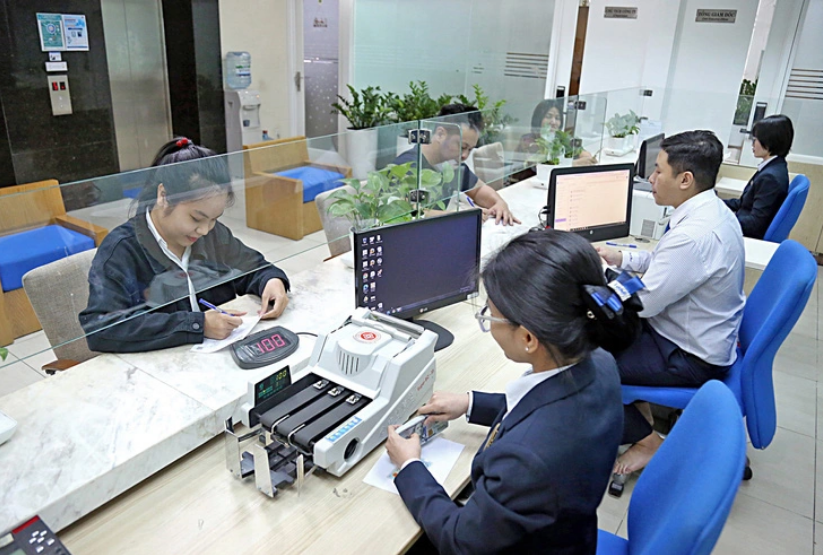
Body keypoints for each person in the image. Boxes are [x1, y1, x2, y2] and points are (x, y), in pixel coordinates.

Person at [385, 229, 643, 554]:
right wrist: (469, 403)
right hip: (569, 533)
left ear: (528, 338)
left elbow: (461, 541)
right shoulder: (600, 363)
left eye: (491, 315)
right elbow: (538, 409)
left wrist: (409, 467)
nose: (489, 323)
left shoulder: (526, 462)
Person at [596, 130, 745, 477]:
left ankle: (648, 440)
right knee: (604, 333)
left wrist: (602, 277)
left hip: (688, 356)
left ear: (685, 179)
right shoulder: (709, 211)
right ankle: (639, 410)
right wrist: (619, 257)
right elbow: (668, 264)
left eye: (659, 170)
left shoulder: (695, 236)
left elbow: (643, 303)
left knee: (586, 362)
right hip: (694, 335)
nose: (651, 178)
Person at [79, 138, 290, 353]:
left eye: (214, 218)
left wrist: (271, 281)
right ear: (164, 196)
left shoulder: (212, 235)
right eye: (196, 218)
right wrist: (197, 325)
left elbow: (252, 267)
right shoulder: (121, 251)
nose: (205, 230)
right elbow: (102, 329)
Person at [393, 104, 520, 226]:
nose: (465, 155)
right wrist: (456, 217)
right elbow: (408, 212)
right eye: (462, 147)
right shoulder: (407, 165)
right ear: (440, 134)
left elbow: (478, 190)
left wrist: (499, 203)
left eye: (470, 149)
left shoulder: (451, 164)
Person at [725, 114, 794, 239]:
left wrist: (721, 221)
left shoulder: (770, 178)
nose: (753, 143)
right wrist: (716, 203)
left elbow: (755, 224)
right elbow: (744, 203)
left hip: (746, 235)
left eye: (755, 139)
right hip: (742, 222)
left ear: (769, 142)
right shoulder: (774, 167)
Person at [514, 98, 595, 170]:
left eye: (557, 118)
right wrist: (573, 164)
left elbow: (586, 155)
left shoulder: (560, 138)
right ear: (539, 119)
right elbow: (541, 167)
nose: (553, 122)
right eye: (548, 116)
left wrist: (584, 160)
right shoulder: (528, 140)